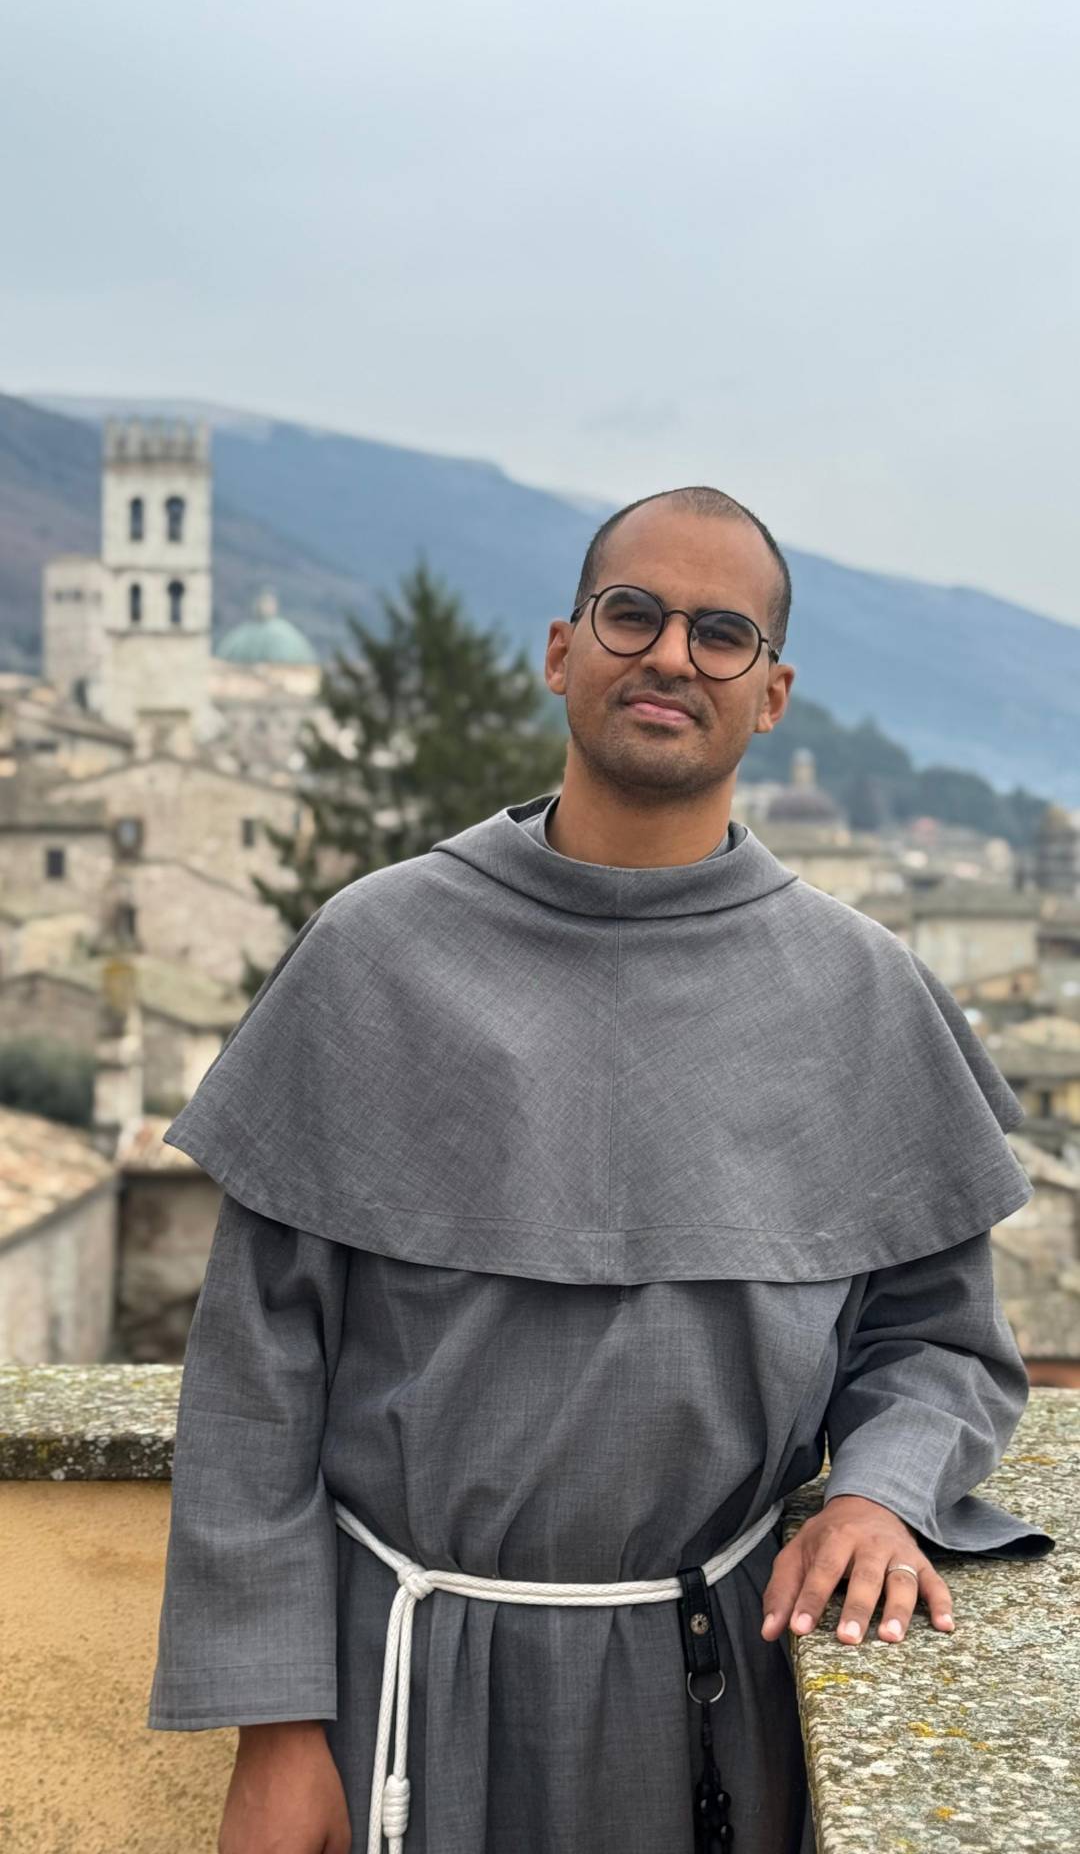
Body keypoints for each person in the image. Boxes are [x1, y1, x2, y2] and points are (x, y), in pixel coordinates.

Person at [147, 486, 1054, 1854]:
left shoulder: (863, 992)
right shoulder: (373, 952)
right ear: (563, 650)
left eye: (721, 633)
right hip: (397, 1693)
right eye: (633, 614)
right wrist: (275, 1734)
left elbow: (938, 1343)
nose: (672, 655)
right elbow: (254, 1379)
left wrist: (880, 1494)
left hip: (716, 1696)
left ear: (773, 693)